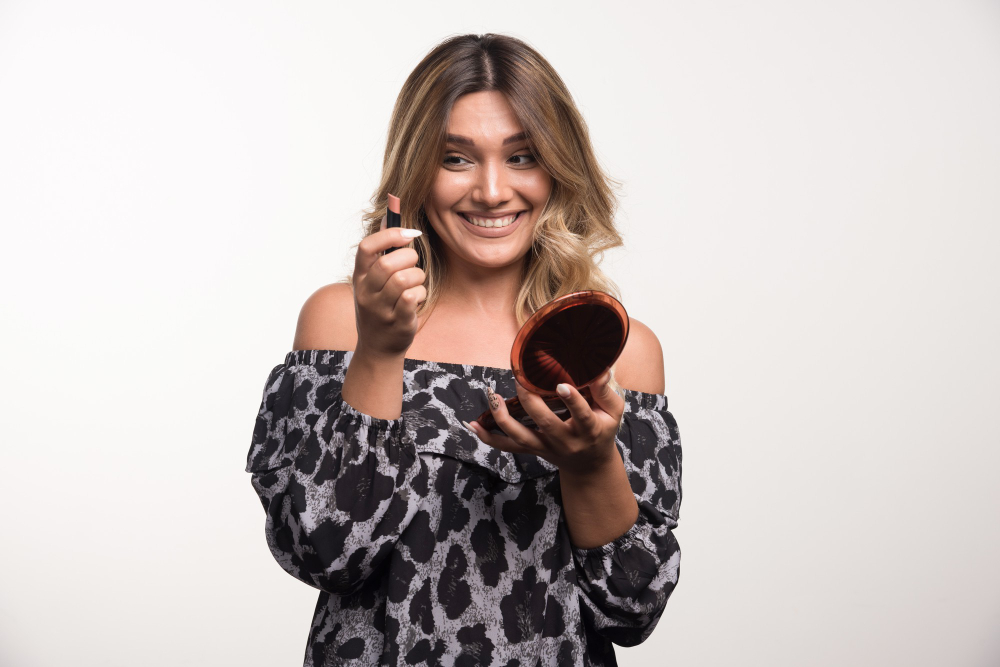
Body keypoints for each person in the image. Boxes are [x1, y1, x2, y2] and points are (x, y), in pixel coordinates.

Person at [246, 33, 682, 666]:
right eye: (456, 159)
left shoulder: (616, 353)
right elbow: (326, 552)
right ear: (415, 172)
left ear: (560, 169)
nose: (491, 191)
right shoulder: (341, 322)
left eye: (523, 156)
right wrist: (380, 349)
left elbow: (631, 609)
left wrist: (590, 464)